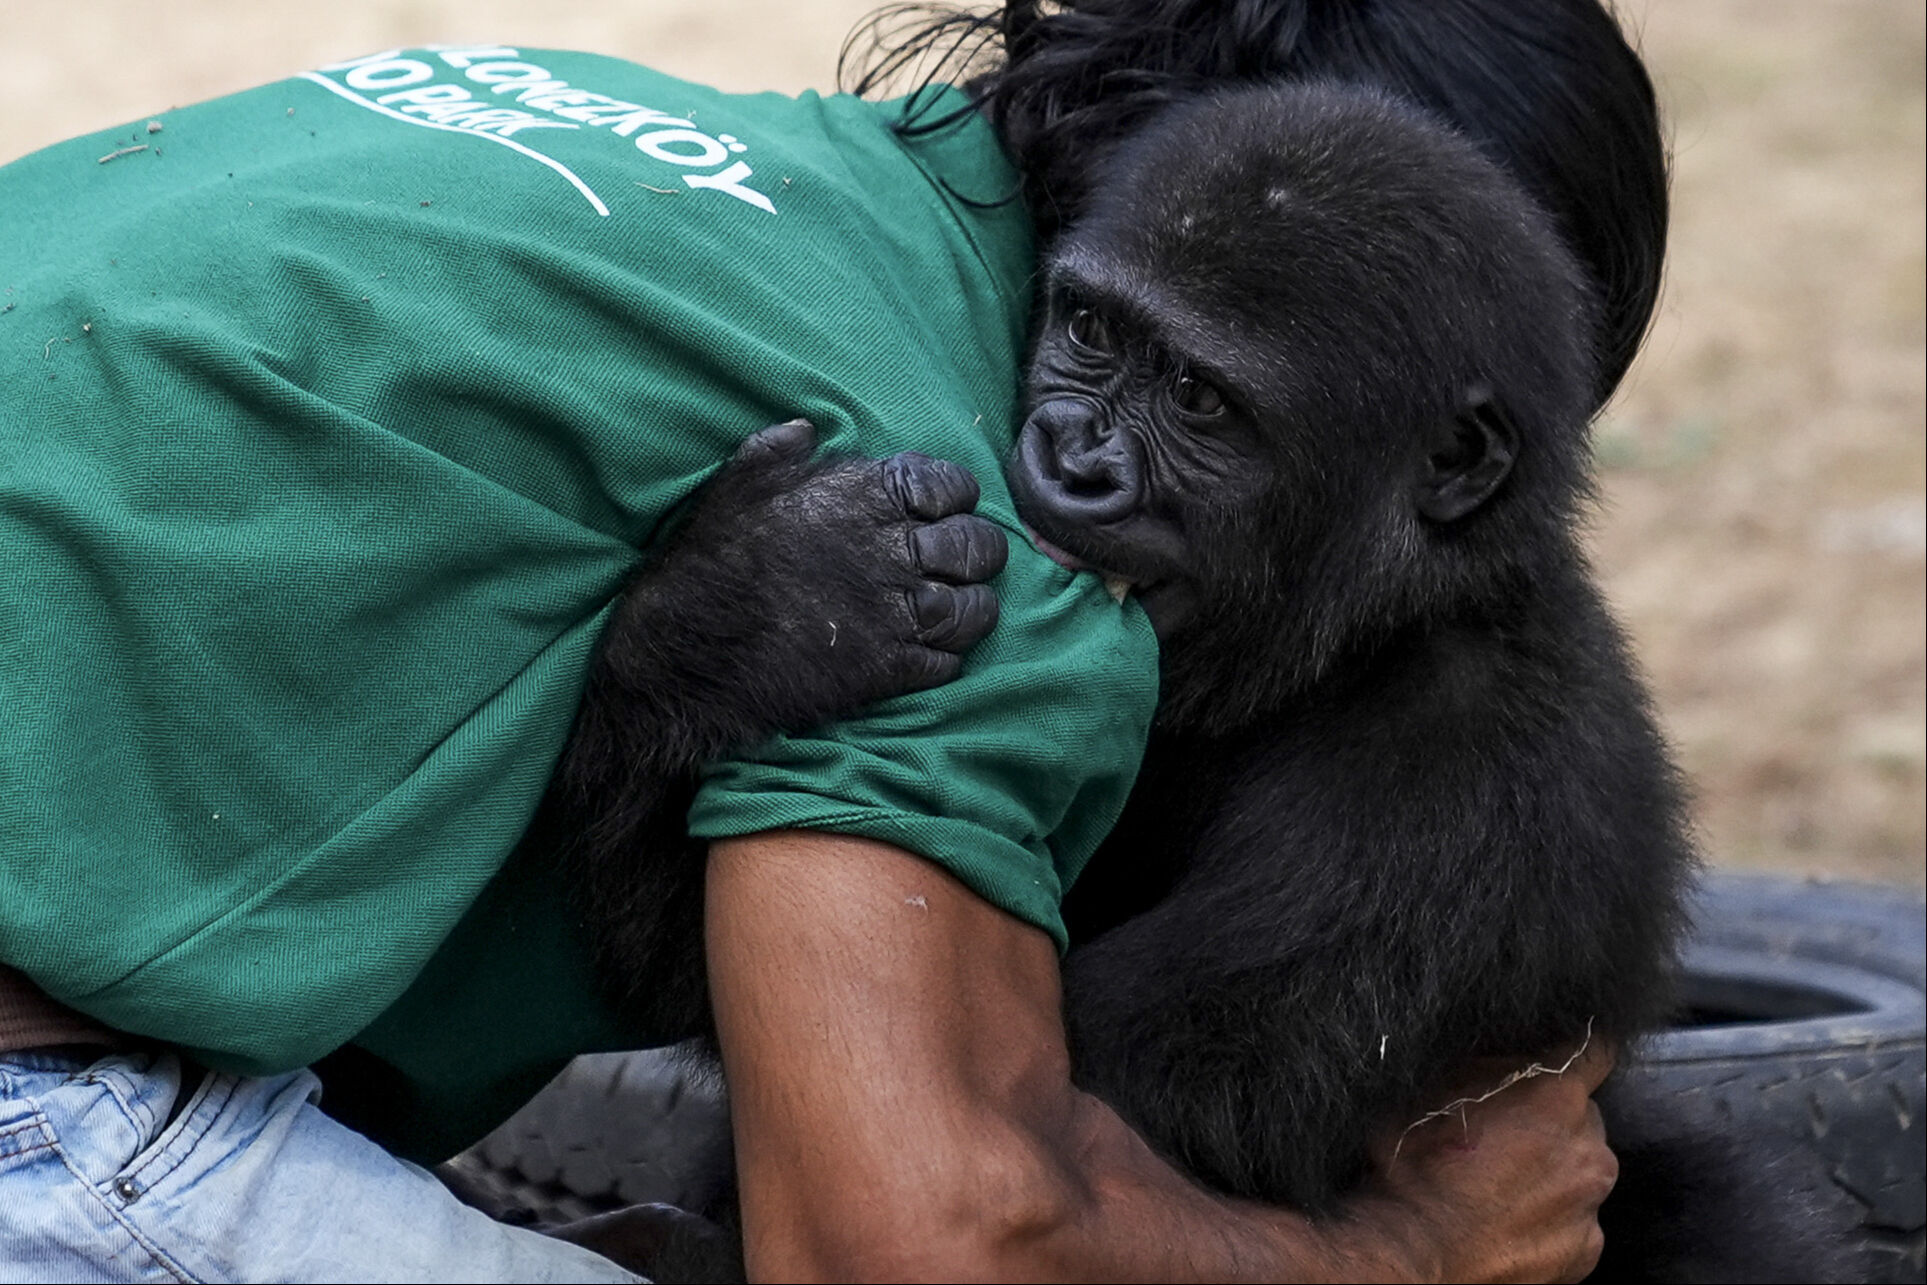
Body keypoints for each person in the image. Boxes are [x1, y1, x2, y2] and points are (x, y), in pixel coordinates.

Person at [0, 2, 1663, 1280]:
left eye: (1210, 402)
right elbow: (911, 1247)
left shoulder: (667, 140)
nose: (1080, 454)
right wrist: (1406, 1256)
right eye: (1102, 339)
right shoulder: (951, 535)